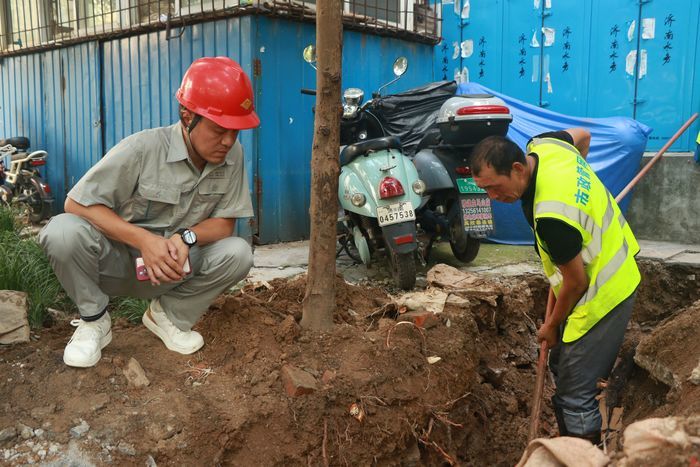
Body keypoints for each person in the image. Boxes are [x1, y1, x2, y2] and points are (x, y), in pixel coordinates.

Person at [39, 57, 258, 368]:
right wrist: (143, 239)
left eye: (236, 131)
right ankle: (95, 322)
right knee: (62, 231)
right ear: (187, 115)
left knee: (238, 252)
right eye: (220, 129)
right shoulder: (142, 149)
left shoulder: (233, 155)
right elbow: (76, 204)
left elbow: (225, 223)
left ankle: (167, 316)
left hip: (175, 269)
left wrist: (187, 237)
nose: (228, 140)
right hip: (119, 265)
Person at [471, 128, 641, 444]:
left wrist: (551, 326)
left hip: (604, 293)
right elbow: (583, 136)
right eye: (485, 190)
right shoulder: (547, 145)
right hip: (609, 261)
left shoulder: (552, 217)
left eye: (495, 188)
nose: (493, 198)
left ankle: (580, 453)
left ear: (518, 169)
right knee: (561, 363)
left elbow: (577, 282)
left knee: (575, 395)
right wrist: (582, 191)